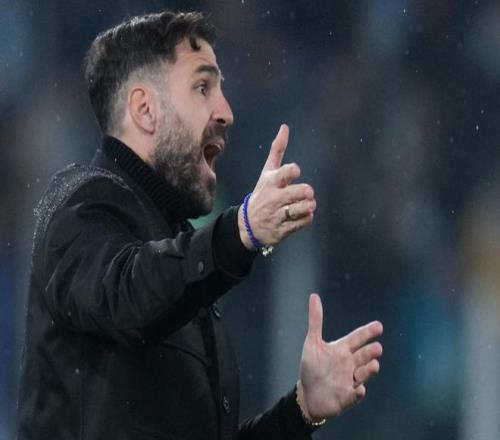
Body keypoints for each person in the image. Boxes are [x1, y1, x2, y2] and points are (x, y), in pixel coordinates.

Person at [17, 10, 383, 440]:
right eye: (203, 87)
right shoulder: (77, 203)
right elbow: (127, 295)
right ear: (144, 109)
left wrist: (301, 411)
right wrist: (241, 229)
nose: (226, 111)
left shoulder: (183, 264)